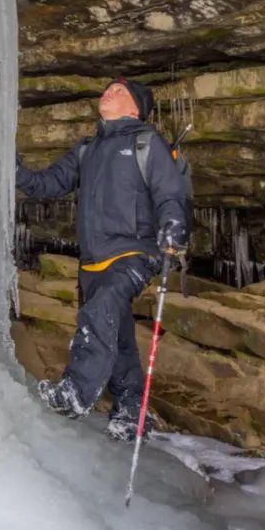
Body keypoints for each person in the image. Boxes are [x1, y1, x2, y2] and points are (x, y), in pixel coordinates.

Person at [15, 76, 189, 440]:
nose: (109, 92)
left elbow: (168, 192)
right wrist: (13, 169)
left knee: (101, 309)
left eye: (119, 90)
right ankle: (132, 412)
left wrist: (173, 225)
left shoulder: (147, 142)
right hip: (92, 261)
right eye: (108, 87)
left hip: (133, 252)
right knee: (119, 334)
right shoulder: (86, 149)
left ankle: (75, 391)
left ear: (136, 108)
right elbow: (46, 184)